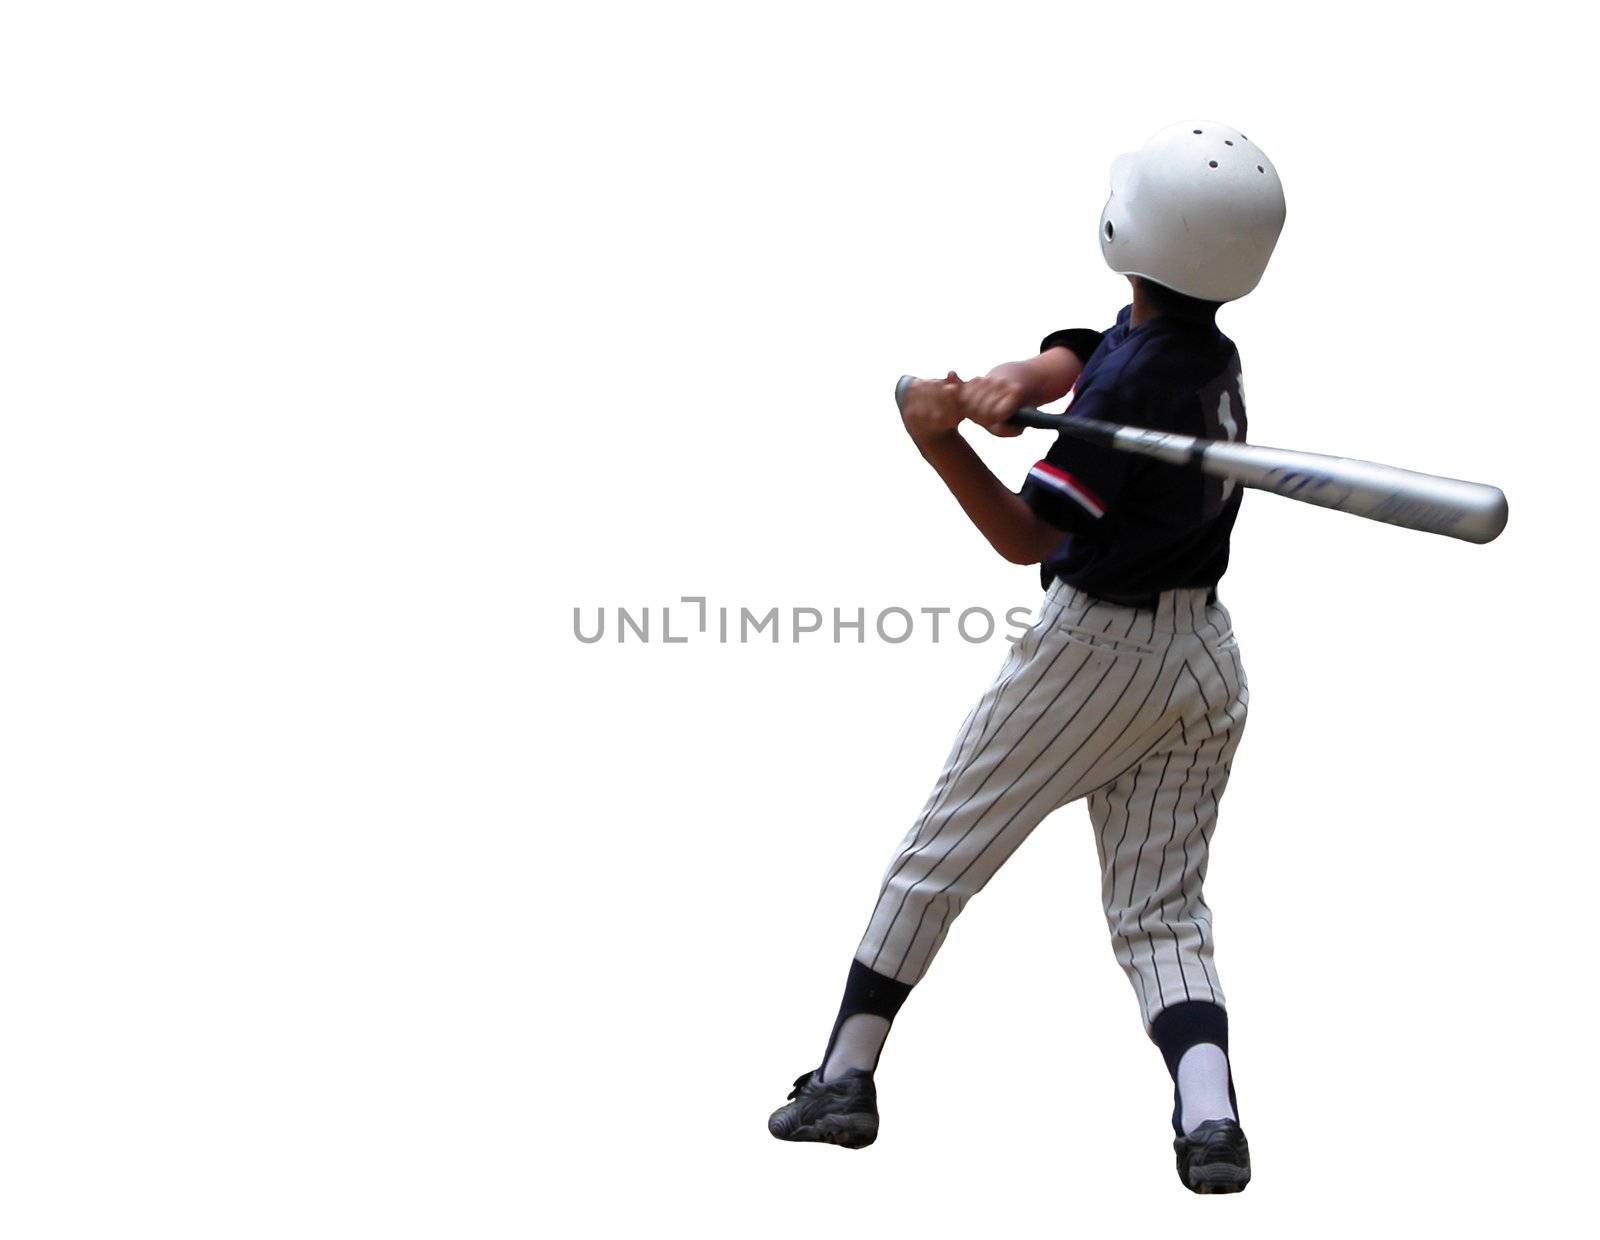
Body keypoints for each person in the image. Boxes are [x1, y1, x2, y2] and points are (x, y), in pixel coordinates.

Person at [767, 121, 1287, 1194]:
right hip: (1205, 658)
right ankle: (1209, 1115)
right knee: (1159, 910)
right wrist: (1030, 370)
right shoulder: (1200, 349)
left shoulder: (1129, 391)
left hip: (1095, 656)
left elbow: (1028, 537)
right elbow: (1101, 350)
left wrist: (936, 438)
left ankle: (845, 1076)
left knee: (938, 853)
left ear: (1127, 230)